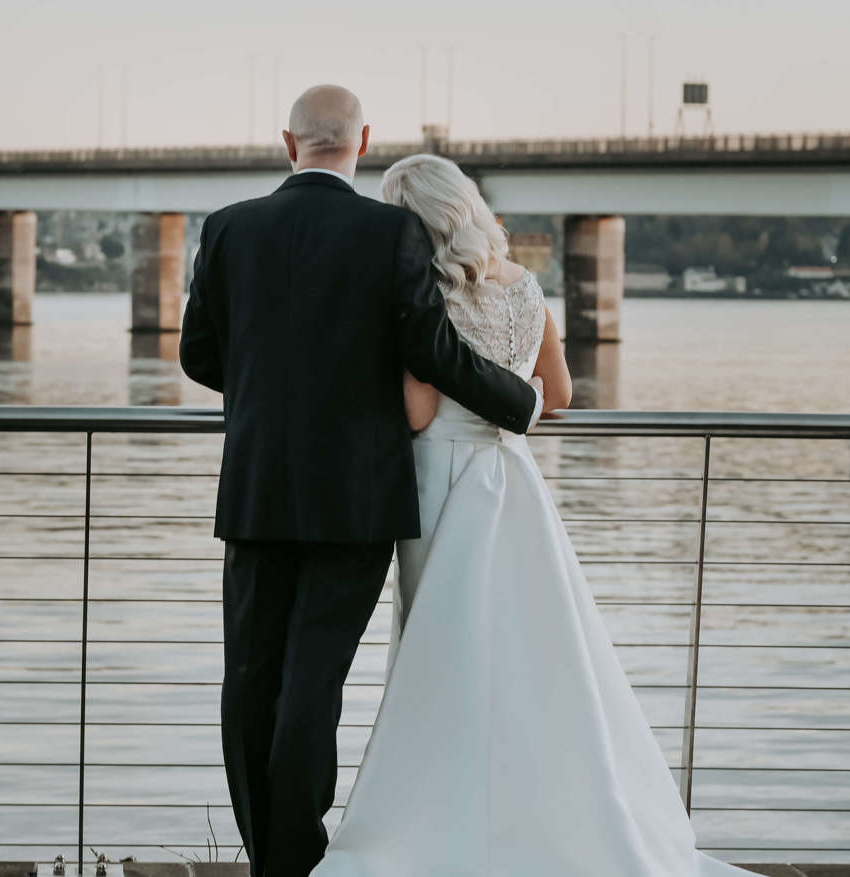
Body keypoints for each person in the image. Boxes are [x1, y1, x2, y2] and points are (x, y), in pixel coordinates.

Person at [309, 154, 764, 877]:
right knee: (534, 651)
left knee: (443, 650)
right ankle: (543, 814)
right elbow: (558, 393)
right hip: (513, 480)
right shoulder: (526, 286)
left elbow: (419, 414)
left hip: (441, 484)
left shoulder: (423, 295)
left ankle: (441, 817)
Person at [178, 85, 544, 877]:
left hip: (257, 485)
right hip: (356, 493)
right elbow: (434, 352)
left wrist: (267, 391)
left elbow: (198, 357)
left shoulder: (228, 227)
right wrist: (520, 403)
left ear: (289, 143)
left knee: (249, 677)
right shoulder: (391, 232)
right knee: (314, 683)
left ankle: (269, 856)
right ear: (363, 141)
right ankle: (297, 858)